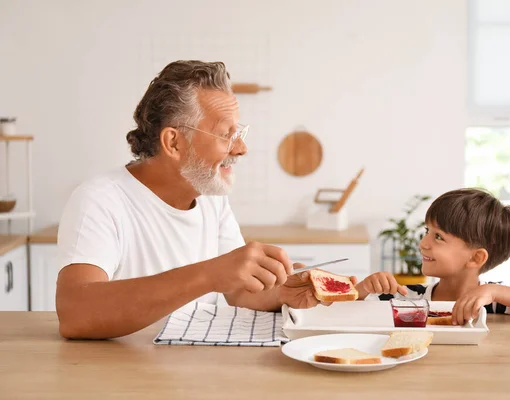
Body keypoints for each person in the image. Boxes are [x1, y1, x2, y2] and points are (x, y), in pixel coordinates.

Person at [56, 60, 320, 340]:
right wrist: (209, 274)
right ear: (173, 143)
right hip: (121, 378)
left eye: (239, 133)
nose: (241, 149)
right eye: (225, 135)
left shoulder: (210, 197)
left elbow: (238, 289)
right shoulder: (100, 200)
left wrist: (282, 291)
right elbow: (76, 313)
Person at [355, 188, 510, 324]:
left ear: (476, 258)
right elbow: (344, 307)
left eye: (438, 237)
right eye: (426, 232)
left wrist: (494, 290)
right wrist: (364, 288)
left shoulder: (493, 302)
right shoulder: (409, 299)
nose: (423, 244)